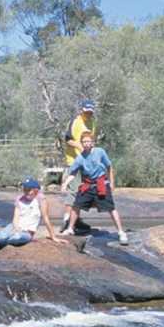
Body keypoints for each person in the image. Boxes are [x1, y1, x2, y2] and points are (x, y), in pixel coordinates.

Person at [60, 132, 129, 245]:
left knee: (111, 208)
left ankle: (121, 232)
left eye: (88, 141)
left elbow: (109, 166)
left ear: (92, 142)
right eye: (84, 142)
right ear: (81, 143)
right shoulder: (80, 157)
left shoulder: (100, 152)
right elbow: (73, 173)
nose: (86, 144)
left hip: (101, 183)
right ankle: (70, 229)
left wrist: (112, 183)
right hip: (88, 184)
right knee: (76, 204)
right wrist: (65, 183)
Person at [0, 177, 68, 250]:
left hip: (27, 233)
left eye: (28, 190)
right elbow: (16, 217)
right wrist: (16, 228)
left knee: (13, 239)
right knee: (3, 236)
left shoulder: (41, 199)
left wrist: (53, 237)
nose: (25, 192)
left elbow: (46, 218)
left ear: (36, 190)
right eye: (24, 189)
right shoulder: (19, 199)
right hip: (14, 227)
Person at [61, 99, 97, 233]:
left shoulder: (93, 122)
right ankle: (67, 221)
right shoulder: (75, 122)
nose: (88, 114)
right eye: (86, 111)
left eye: (90, 112)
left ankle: (76, 220)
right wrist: (80, 146)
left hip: (87, 162)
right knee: (73, 192)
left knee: (83, 191)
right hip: (74, 161)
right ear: (81, 110)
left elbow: (92, 139)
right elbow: (67, 139)